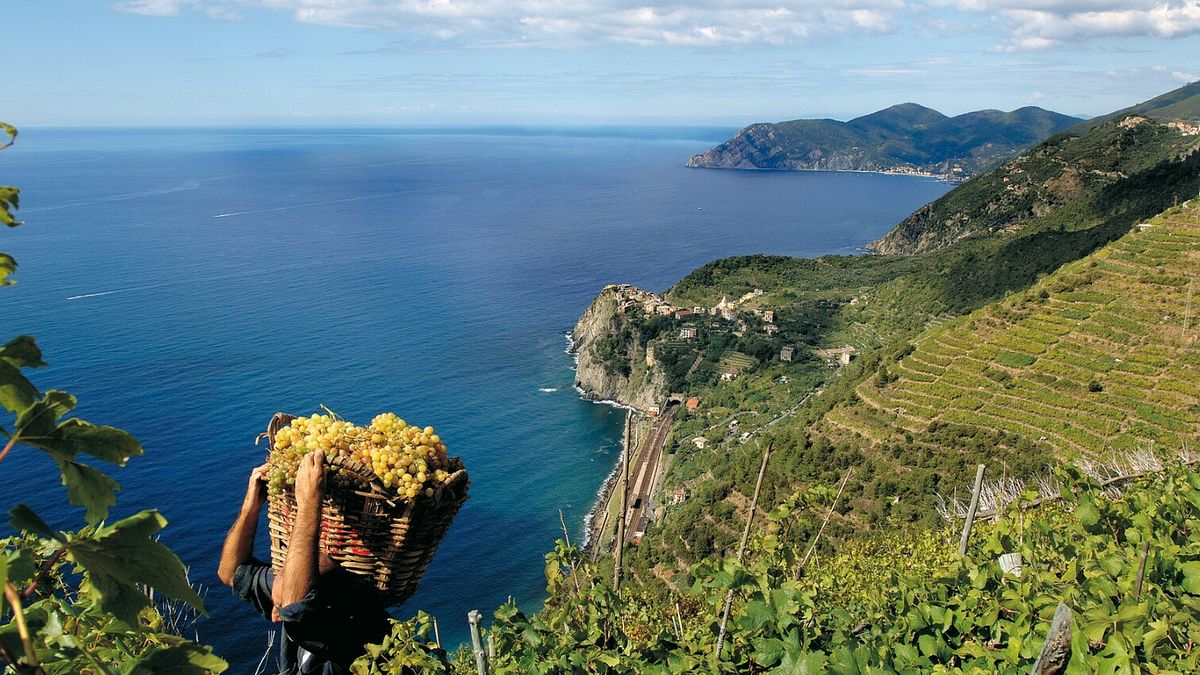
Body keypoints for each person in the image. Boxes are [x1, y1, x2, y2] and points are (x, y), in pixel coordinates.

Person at [218, 451, 391, 674]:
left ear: (323, 599)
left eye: (278, 602)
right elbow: (230, 573)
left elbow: (294, 605)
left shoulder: (358, 631)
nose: (275, 609)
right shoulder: (293, 590)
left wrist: (309, 503)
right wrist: (250, 508)